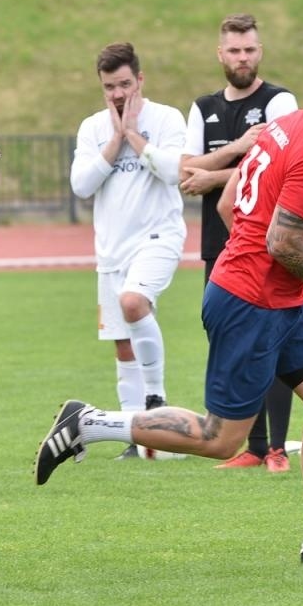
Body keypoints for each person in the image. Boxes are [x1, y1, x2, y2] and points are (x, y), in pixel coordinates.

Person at [36, 51, 303, 566]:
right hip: (253, 303)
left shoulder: (283, 127)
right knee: (220, 438)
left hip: (276, 297)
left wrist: (298, 272)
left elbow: (230, 208)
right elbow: (282, 242)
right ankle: (88, 422)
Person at [181, 14, 300, 473]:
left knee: (275, 342)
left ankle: (277, 449)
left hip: (268, 241)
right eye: (234, 50)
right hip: (220, 243)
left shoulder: (279, 100)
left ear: (260, 51)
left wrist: (213, 175)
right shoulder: (203, 106)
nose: (243, 58)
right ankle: (252, 446)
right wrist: (235, 150)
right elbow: (186, 169)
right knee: (232, 343)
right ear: (220, 54)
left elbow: (280, 167)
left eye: (250, 49)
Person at [69, 42, 189, 461]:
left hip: (158, 237)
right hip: (111, 251)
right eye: (109, 87)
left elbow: (176, 172)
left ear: (140, 80)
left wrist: (134, 136)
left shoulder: (167, 118)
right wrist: (114, 141)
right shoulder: (93, 128)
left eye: (124, 84)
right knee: (122, 344)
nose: (117, 94)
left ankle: (156, 401)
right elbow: (81, 185)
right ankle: (135, 439)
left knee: (134, 303)